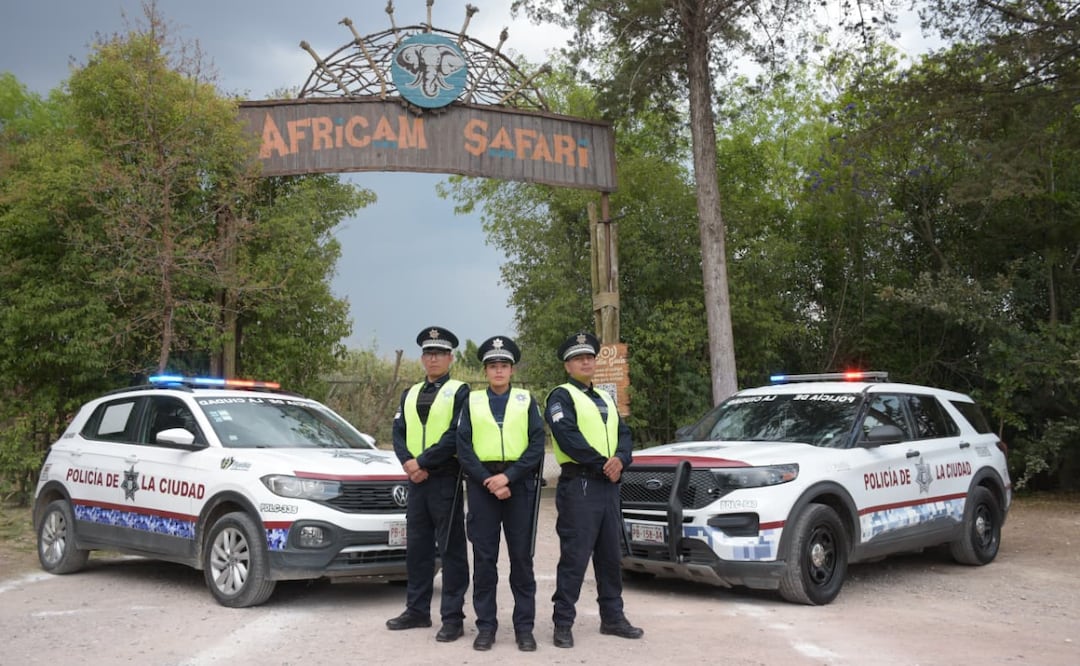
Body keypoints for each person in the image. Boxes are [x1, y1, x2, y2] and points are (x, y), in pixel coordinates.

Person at [544, 331, 643, 648]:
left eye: (589, 357)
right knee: (575, 556)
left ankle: (613, 618)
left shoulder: (605, 398)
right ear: (567, 366)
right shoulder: (560, 397)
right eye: (578, 358)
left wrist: (621, 460)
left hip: (608, 486)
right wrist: (604, 462)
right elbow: (568, 437)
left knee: (610, 556)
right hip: (581, 485)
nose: (585, 361)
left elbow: (624, 435)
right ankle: (562, 622)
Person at [456, 335, 546, 652]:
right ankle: (486, 627)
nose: (498, 371)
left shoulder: (526, 401)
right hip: (483, 487)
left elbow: (537, 446)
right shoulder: (473, 402)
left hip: (518, 485)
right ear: (485, 371)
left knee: (521, 560)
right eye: (493, 366)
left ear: (512, 370)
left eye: (504, 365)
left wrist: (508, 477)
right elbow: (463, 448)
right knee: (484, 560)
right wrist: (488, 480)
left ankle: (524, 628)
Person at [386, 326, 471, 643]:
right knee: (417, 550)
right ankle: (417, 611)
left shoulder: (461, 392)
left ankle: (452, 618)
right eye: (428, 353)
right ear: (422, 358)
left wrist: (422, 462)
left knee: (451, 551)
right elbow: (398, 433)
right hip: (416, 482)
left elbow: (456, 435)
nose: (433, 359)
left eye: (439, 353)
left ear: (450, 357)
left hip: (445, 479)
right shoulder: (409, 393)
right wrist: (409, 463)